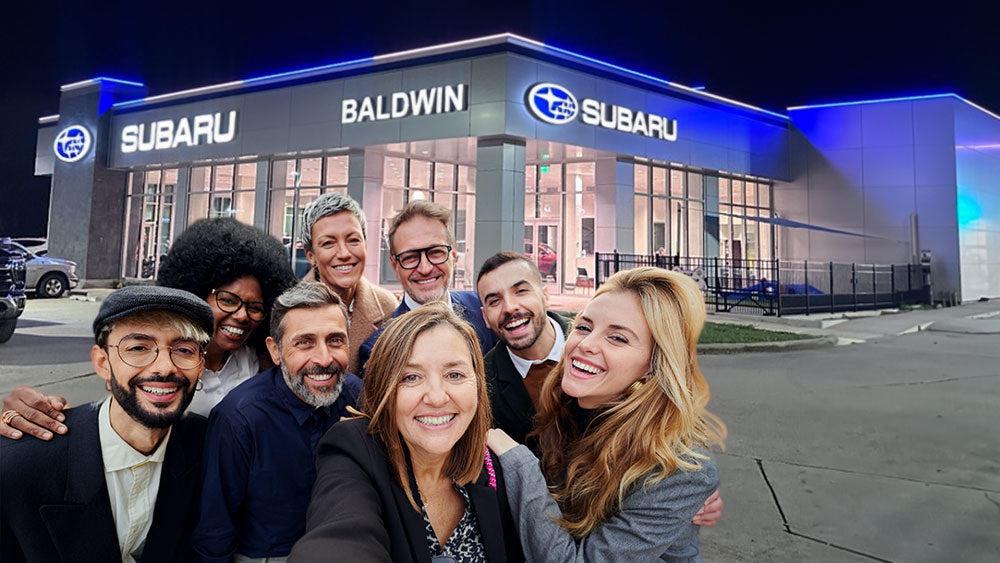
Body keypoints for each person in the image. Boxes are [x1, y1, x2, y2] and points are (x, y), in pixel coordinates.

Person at [488, 267, 727, 562]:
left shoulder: (679, 470)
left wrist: (519, 464)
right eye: (584, 327)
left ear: (654, 366)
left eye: (617, 338)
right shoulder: (570, 408)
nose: (586, 344)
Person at [0, 218, 297, 439]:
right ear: (196, 293)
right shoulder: (161, 361)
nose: (242, 315)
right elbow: (114, 417)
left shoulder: (259, 359)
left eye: (254, 307)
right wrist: (35, 410)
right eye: (227, 300)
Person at [290, 302, 522, 562]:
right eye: (411, 377)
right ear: (383, 390)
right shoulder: (353, 452)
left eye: (455, 375)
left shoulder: (492, 468)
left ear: (478, 384)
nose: (437, 397)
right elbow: (339, 540)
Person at [1, 285, 214, 562]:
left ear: (200, 366)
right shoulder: (19, 466)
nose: (165, 367)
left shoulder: (211, 448)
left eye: (184, 349)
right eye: (138, 347)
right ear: (103, 362)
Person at [192, 282, 362, 561]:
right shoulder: (238, 420)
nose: (323, 359)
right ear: (275, 351)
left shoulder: (358, 397)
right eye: (304, 342)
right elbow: (215, 531)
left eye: (335, 340)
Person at [357, 200, 496, 373]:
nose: (425, 269)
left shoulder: (484, 307)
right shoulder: (377, 350)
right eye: (410, 257)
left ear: (453, 255)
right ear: (394, 265)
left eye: (436, 252)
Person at [300, 192, 398, 374]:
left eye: (353, 240)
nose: (344, 253)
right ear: (311, 256)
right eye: (328, 243)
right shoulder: (286, 310)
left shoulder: (389, 308)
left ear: (365, 245)